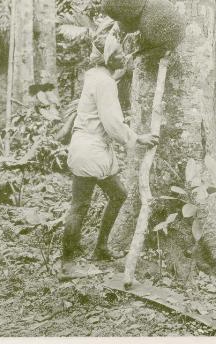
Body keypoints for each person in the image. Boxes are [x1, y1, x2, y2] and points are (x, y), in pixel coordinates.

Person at [59, 33, 158, 280]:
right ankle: (68, 263)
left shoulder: (96, 75)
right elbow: (113, 123)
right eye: (117, 54)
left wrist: (119, 71)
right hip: (89, 150)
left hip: (93, 148)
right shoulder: (104, 83)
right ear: (106, 58)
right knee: (80, 205)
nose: (123, 57)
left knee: (118, 195)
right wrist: (137, 138)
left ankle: (101, 247)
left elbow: (111, 77)